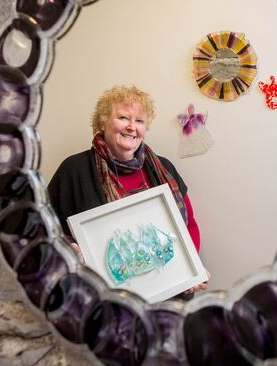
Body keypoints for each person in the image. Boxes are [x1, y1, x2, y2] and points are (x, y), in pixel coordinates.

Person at [48, 85, 208, 295]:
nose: (132, 127)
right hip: (103, 301)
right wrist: (69, 250)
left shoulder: (163, 168)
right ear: (103, 122)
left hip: (169, 294)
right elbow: (43, 229)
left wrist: (191, 269)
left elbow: (189, 225)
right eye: (123, 118)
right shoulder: (74, 170)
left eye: (139, 121)